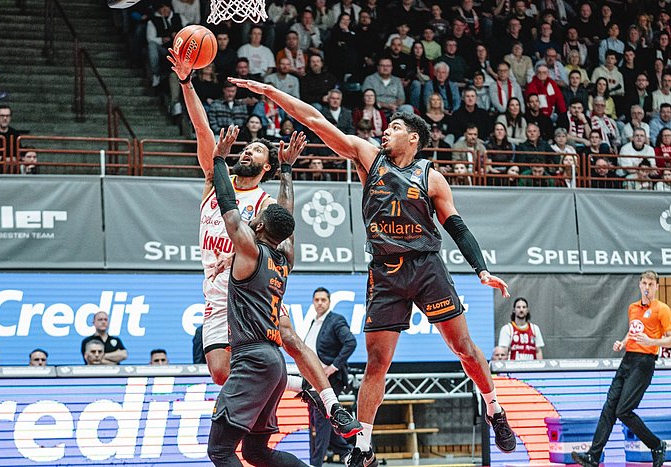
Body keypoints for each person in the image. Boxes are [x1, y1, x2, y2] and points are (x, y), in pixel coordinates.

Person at [230, 77, 517, 467]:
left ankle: (494, 408)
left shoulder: (431, 177)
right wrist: (270, 92)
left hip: (426, 267)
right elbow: (315, 120)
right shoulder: (369, 156)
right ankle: (363, 447)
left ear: (413, 138)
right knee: (377, 362)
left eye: (395, 127)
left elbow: (457, 228)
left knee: (463, 348)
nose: (386, 131)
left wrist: (481, 270)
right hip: (384, 271)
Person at [168, 49, 361, 439]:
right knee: (220, 372)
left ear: (267, 167)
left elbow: (284, 227)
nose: (247, 150)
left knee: (289, 335)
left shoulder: (264, 201)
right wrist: (186, 82)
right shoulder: (215, 181)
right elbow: (203, 129)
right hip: (216, 289)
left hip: (252, 285)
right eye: (247, 147)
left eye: (256, 150)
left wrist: (288, 170)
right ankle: (299, 386)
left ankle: (332, 404)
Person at [572, 271, 670, 467]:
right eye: (644, 283)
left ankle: (656, 445)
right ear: (640, 285)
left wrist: (652, 341)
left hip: (644, 362)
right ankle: (593, 456)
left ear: (657, 287)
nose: (647, 287)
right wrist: (623, 343)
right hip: (628, 360)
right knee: (609, 408)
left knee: (623, 410)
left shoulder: (662, 309)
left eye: (651, 284)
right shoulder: (633, 308)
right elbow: (633, 330)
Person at [305, 287, 358, 467]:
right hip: (313, 380)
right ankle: (348, 454)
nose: (320, 303)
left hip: (329, 379)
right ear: (313, 302)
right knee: (321, 421)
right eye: (317, 300)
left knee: (321, 421)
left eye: (323, 300)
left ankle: (315, 464)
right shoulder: (314, 322)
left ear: (329, 302)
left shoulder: (335, 320)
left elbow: (350, 342)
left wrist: (333, 367)